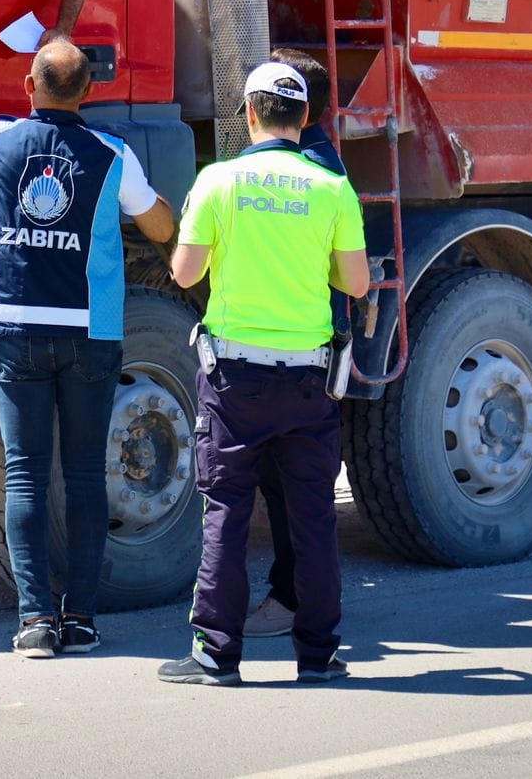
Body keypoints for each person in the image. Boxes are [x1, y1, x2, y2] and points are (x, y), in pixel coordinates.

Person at [0, 23, 174, 658]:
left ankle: (35, 621)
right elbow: (162, 226)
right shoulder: (113, 154)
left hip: (16, 328)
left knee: (26, 476)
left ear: (29, 86)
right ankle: (81, 619)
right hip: (90, 333)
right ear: (87, 93)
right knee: (84, 476)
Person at [161, 61, 369, 686]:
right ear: (305, 120)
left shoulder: (219, 181)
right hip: (310, 382)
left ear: (248, 114)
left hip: (234, 382)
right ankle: (319, 655)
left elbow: (185, 273)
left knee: (226, 510)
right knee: (313, 516)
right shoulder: (333, 188)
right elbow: (355, 282)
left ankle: (217, 657)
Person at [240, 49, 348, 641]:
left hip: (300, 349)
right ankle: (308, 604)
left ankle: (292, 599)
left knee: (290, 486)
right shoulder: (321, 163)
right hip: (309, 346)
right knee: (295, 483)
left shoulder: (310, 170)